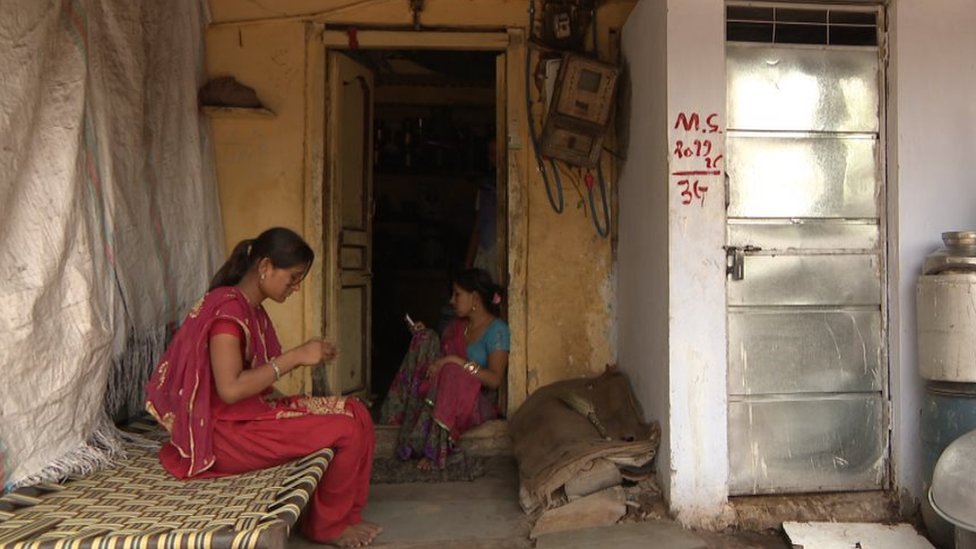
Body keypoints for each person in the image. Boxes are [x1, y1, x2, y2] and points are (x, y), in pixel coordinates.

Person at [145, 227, 381, 548]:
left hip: (245, 417)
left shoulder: (249, 309)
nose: (296, 287)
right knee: (346, 430)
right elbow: (229, 389)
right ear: (266, 267)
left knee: (356, 411)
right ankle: (327, 527)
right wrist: (296, 356)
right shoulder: (228, 314)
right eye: (293, 277)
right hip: (222, 435)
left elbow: (256, 387)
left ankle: (348, 516)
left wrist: (296, 406)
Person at [379, 268, 510, 471]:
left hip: (475, 400)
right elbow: (437, 361)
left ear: (475, 298)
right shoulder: (456, 326)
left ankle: (435, 449)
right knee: (427, 339)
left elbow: (494, 380)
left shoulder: (497, 330)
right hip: (447, 388)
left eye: (457, 294)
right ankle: (400, 419)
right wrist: (424, 338)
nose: (451, 300)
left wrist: (456, 362)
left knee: (451, 371)